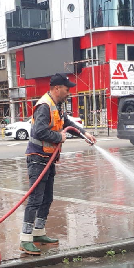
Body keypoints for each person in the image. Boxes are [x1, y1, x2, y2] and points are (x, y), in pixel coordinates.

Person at [20, 73, 97, 256]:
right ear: (56, 88)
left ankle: (38, 233)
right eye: (66, 89)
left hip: (48, 159)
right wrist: (58, 137)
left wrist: (84, 133)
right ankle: (25, 238)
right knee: (35, 199)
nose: (69, 92)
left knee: (47, 199)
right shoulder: (45, 106)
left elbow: (67, 123)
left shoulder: (58, 106)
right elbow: (38, 131)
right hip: (38, 159)